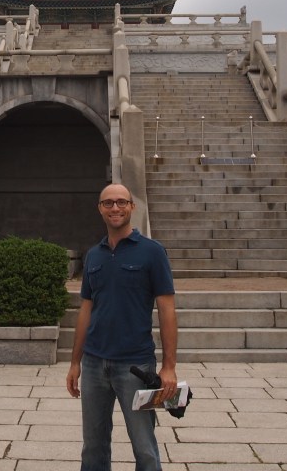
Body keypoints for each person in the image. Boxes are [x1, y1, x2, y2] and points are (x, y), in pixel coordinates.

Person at [66, 183, 178, 471]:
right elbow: (86, 310)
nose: (115, 208)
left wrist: (169, 366)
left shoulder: (152, 252)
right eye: (108, 203)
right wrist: (75, 362)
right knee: (93, 446)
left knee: (144, 448)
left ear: (132, 206)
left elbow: (166, 309)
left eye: (121, 202)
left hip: (135, 365)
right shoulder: (94, 255)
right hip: (93, 365)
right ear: (100, 209)